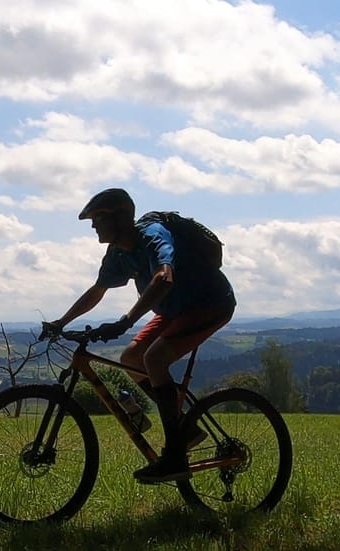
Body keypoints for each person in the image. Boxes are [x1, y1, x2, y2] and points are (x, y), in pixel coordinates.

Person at [41, 187, 237, 483]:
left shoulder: (152, 235)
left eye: (97, 219)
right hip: (175, 310)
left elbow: (164, 276)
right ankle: (187, 430)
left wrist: (126, 321)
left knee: (155, 358)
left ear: (118, 219)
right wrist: (61, 321)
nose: (93, 226)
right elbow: (98, 290)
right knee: (132, 357)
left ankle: (174, 454)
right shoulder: (118, 252)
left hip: (209, 302)